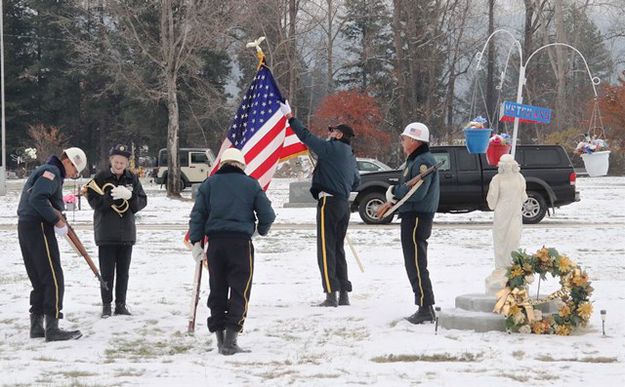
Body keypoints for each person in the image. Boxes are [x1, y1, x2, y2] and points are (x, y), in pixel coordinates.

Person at [189, 148, 275, 355]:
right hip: (240, 243)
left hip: (216, 244)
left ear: (222, 164)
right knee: (240, 290)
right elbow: (268, 215)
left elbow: (198, 215)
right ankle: (231, 340)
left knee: (217, 288)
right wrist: (260, 231)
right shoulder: (251, 184)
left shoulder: (208, 184)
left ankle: (220, 339)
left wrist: (196, 242)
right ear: (241, 165)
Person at [279, 101, 360, 307]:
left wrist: (290, 118)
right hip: (343, 205)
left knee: (325, 249)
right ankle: (343, 294)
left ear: (340, 136)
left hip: (329, 203)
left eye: (333, 132)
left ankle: (330, 294)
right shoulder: (350, 156)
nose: (330, 134)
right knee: (338, 248)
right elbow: (356, 182)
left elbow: (306, 137)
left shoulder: (332, 149)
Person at [17, 147, 88, 341]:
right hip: (38, 226)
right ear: (68, 161)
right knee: (53, 277)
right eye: (75, 170)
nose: (74, 175)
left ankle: (37, 326)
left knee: (39, 278)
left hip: (26, 225)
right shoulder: (53, 171)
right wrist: (56, 220)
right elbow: (38, 198)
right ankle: (53, 327)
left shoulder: (47, 170)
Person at [376, 123, 440, 324]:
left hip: (417, 217)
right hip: (413, 216)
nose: (403, 142)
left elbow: (416, 192)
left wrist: (395, 191)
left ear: (414, 140)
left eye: (405, 138)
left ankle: (425, 307)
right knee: (413, 263)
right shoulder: (417, 160)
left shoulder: (423, 162)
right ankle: (424, 305)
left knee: (416, 263)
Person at [86, 144, 147, 317]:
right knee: (106, 272)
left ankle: (121, 304)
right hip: (106, 232)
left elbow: (141, 202)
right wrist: (111, 198)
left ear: (127, 163)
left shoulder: (132, 179)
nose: (119, 165)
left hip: (126, 232)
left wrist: (130, 196)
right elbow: (94, 202)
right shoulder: (101, 177)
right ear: (111, 161)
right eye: (116, 162)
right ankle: (106, 305)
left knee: (123, 272)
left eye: (123, 162)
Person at [485, 154, 527, 294]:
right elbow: (492, 201)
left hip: (514, 215)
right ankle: (501, 268)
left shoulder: (520, 178)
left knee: (513, 240)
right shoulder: (497, 179)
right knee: (501, 242)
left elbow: (524, 196)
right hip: (502, 215)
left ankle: (511, 268)